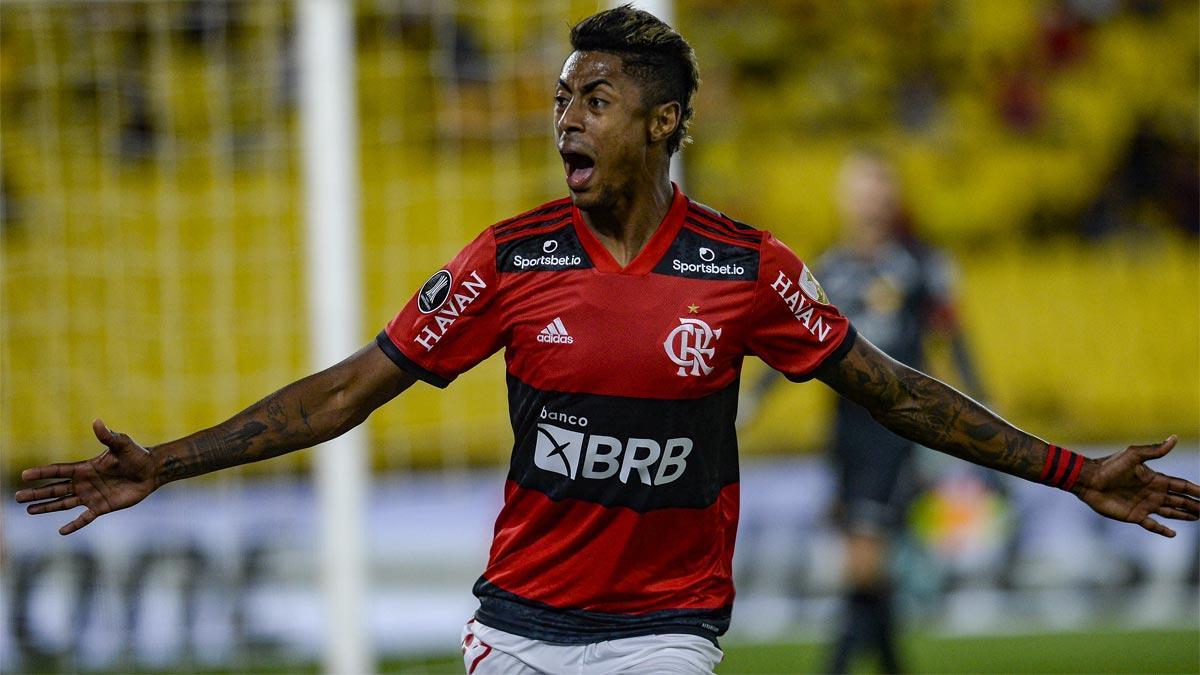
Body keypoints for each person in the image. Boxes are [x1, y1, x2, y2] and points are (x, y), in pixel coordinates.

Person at [14, 7, 1199, 674]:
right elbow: (351, 391)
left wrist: (1066, 468)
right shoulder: (508, 258)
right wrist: (169, 459)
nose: (564, 123)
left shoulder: (745, 270)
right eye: (559, 103)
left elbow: (895, 393)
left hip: (663, 634)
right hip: (517, 627)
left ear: (663, 122)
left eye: (591, 101)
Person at [741, 150, 991, 673]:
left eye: (878, 188)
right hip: (846, 432)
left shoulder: (923, 264)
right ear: (845, 199)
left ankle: (833, 668)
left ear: (892, 197)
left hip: (899, 428)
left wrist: (985, 412)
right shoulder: (829, 266)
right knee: (868, 568)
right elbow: (794, 340)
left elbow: (955, 340)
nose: (869, 200)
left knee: (864, 559)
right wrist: (756, 398)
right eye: (859, 189)